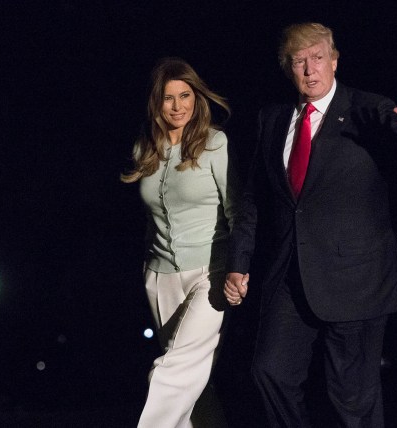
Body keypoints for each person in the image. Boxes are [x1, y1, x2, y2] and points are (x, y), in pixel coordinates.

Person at [225, 23, 397, 427]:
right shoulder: (272, 120)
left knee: (351, 398)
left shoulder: (367, 108)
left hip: (356, 276)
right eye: (299, 62)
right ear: (288, 69)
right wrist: (239, 261)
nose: (310, 69)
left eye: (318, 57)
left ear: (335, 60)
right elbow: (253, 199)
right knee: (269, 372)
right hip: (290, 276)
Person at [122, 57, 239, 428]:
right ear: (156, 103)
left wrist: (238, 268)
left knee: (171, 374)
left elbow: (237, 210)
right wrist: (148, 270)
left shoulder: (214, 143)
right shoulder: (146, 149)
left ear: (196, 96)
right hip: (160, 280)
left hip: (210, 273)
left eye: (185, 95)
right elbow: (150, 219)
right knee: (193, 387)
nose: (178, 106)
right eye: (169, 98)